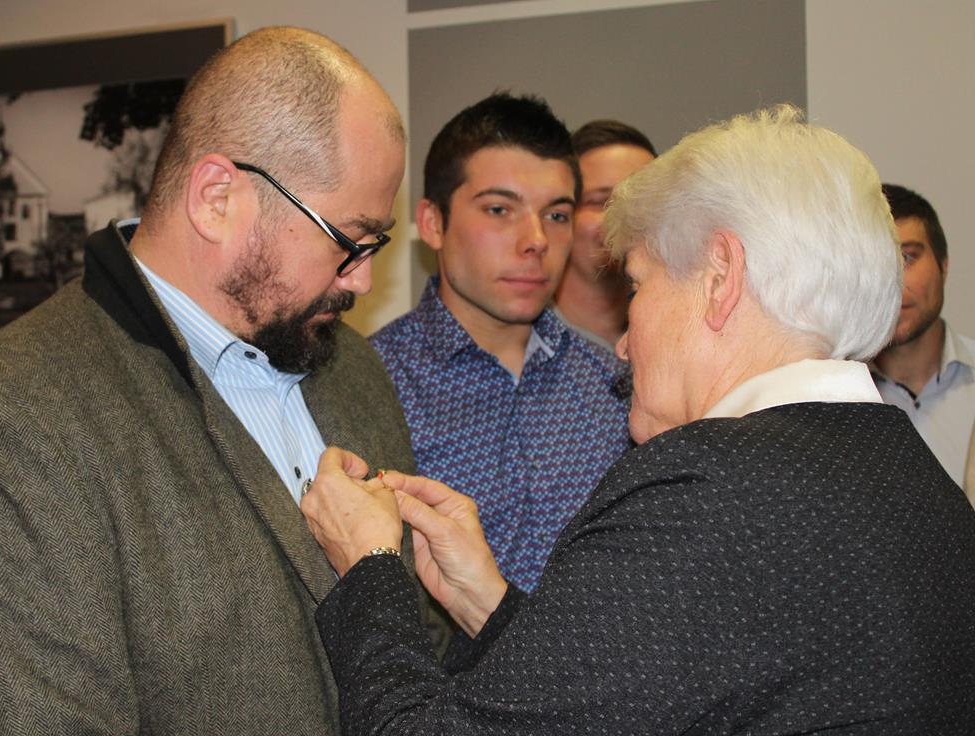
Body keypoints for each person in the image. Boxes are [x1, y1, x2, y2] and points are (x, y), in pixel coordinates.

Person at [301, 105, 975, 734]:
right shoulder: (920, 483)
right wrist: (489, 603)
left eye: (639, 285)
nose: (623, 343)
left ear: (720, 277)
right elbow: (647, 688)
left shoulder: (698, 491)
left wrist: (371, 568)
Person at [0, 26, 447, 736]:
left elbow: (422, 663)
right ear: (216, 198)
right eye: (347, 241)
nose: (362, 280)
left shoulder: (352, 369)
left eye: (375, 244)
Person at [369, 93, 631, 591]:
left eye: (557, 215)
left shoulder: (615, 384)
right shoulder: (373, 384)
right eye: (499, 209)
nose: (536, 239)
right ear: (433, 223)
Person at [870, 183, 975, 487]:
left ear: (944, 265)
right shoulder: (831, 398)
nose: (893, 280)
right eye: (877, 262)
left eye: (907, 258)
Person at [552, 119, 656, 349]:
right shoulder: (521, 342)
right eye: (602, 202)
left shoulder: (682, 337)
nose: (624, 218)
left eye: (641, 202)